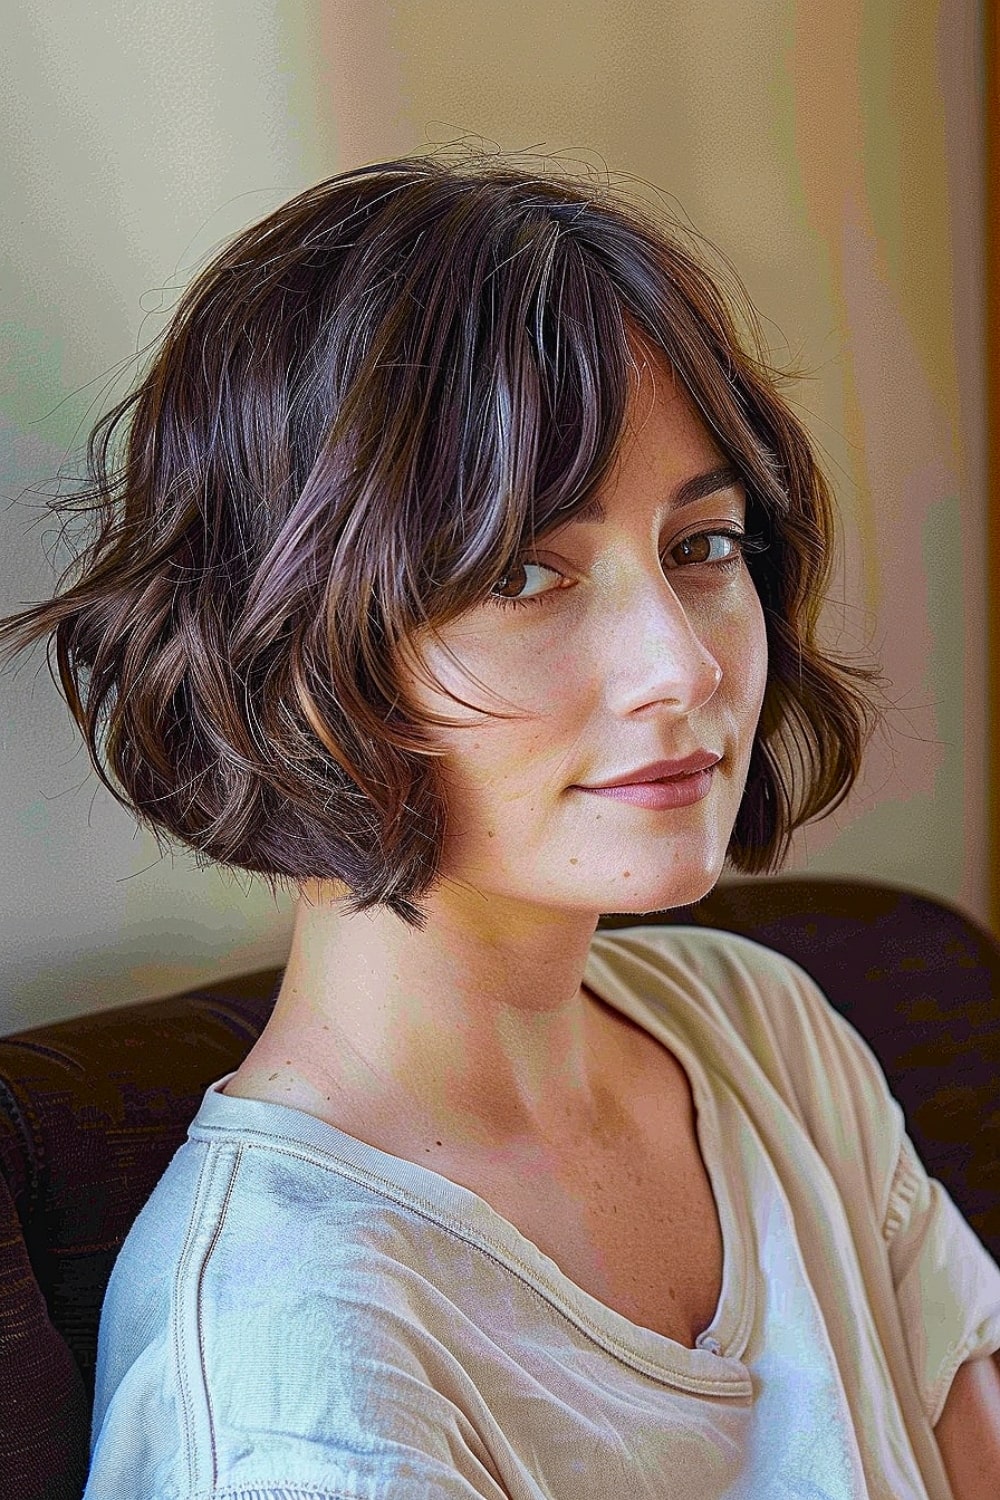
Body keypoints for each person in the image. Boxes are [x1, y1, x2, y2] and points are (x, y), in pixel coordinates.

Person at [2, 149, 998, 1499]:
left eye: (701, 549)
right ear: (292, 649)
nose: (684, 668)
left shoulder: (763, 1028)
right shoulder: (302, 1373)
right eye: (524, 572)